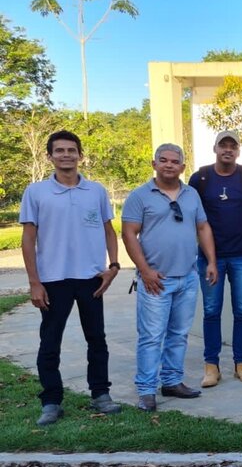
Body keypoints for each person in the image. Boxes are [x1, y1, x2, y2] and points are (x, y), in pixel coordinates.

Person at [19, 130, 123, 426]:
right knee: (50, 342)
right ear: (49, 156)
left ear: (80, 155)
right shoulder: (36, 192)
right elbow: (28, 240)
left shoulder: (96, 191)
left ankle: (100, 394)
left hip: (91, 278)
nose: (66, 155)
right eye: (60, 150)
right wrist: (34, 282)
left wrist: (113, 266)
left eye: (71, 150)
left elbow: (108, 230)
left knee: (97, 339)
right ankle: (51, 401)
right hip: (53, 279)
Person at [122, 144, 218, 412]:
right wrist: (145, 270)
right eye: (163, 160)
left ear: (182, 167)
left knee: (179, 334)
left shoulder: (191, 195)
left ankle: (172, 381)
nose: (168, 165)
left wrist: (211, 261)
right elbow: (129, 233)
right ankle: (146, 390)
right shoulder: (140, 196)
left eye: (174, 161)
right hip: (156, 279)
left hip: (187, 277)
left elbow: (202, 226)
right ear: (154, 164)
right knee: (151, 336)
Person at [188, 130, 242, 388]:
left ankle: (241, 363)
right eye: (223, 145)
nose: (228, 150)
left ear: (238, 151)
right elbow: (192, 215)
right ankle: (211, 366)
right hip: (211, 258)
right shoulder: (200, 178)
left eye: (233, 146)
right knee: (211, 311)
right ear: (215, 149)